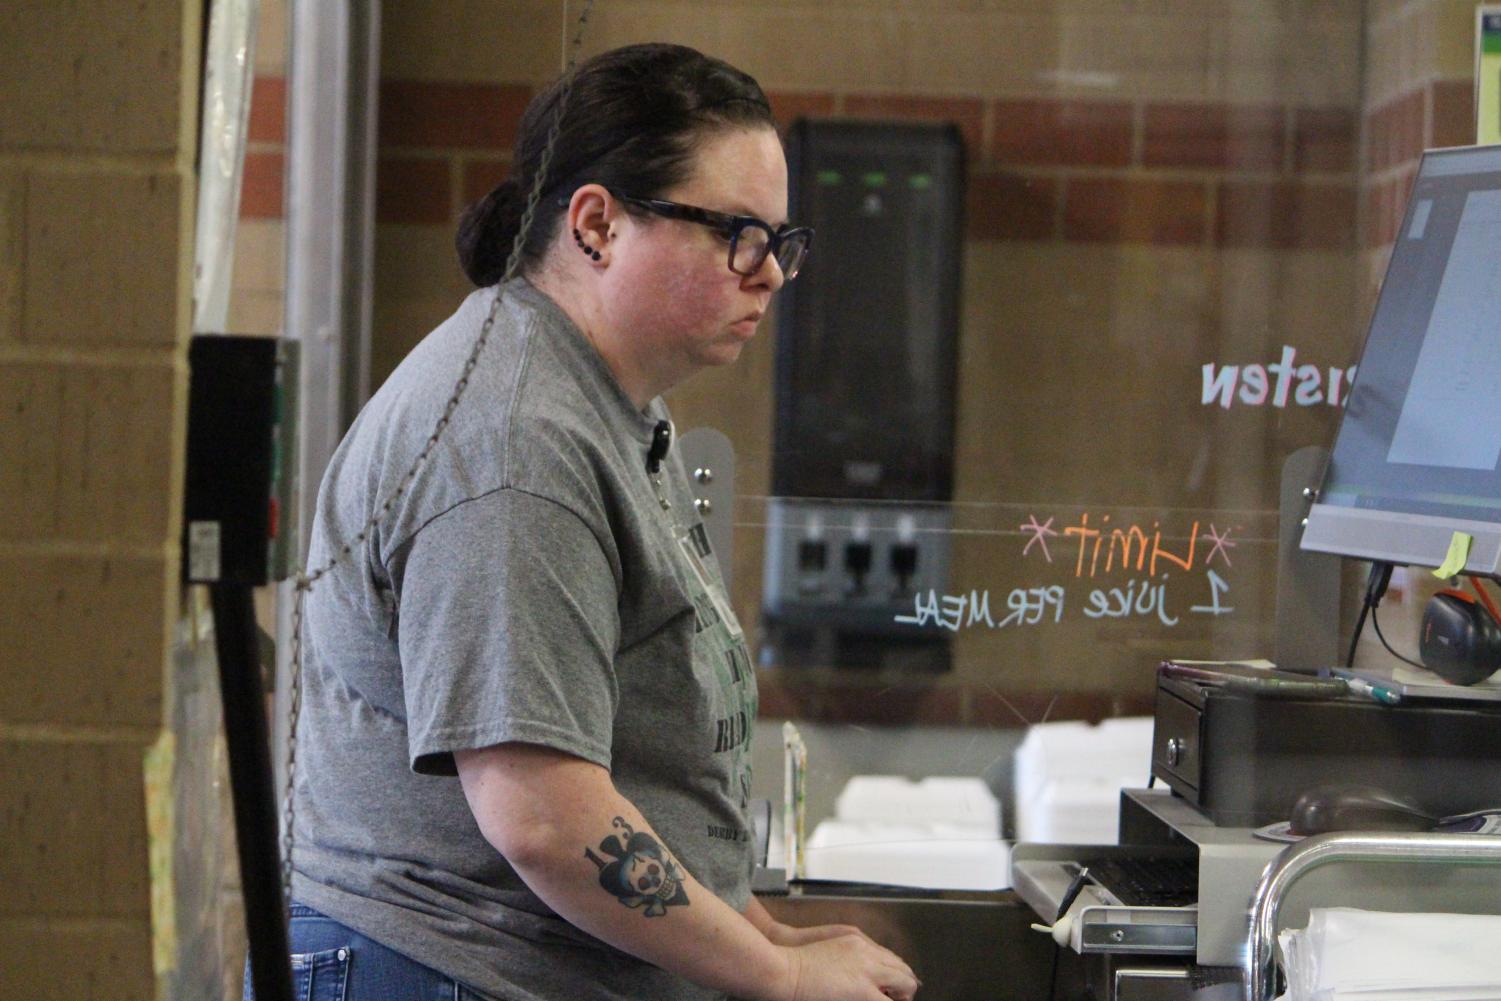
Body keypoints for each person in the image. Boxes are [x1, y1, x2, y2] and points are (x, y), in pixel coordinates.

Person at [273, 42, 920, 1001]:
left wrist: (757, 931)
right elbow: (541, 812)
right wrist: (776, 977)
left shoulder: (605, 403)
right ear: (595, 225)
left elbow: (623, 760)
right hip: (438, 966)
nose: (771, 275)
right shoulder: (514, 442)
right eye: (738, 233)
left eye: (782, 241)